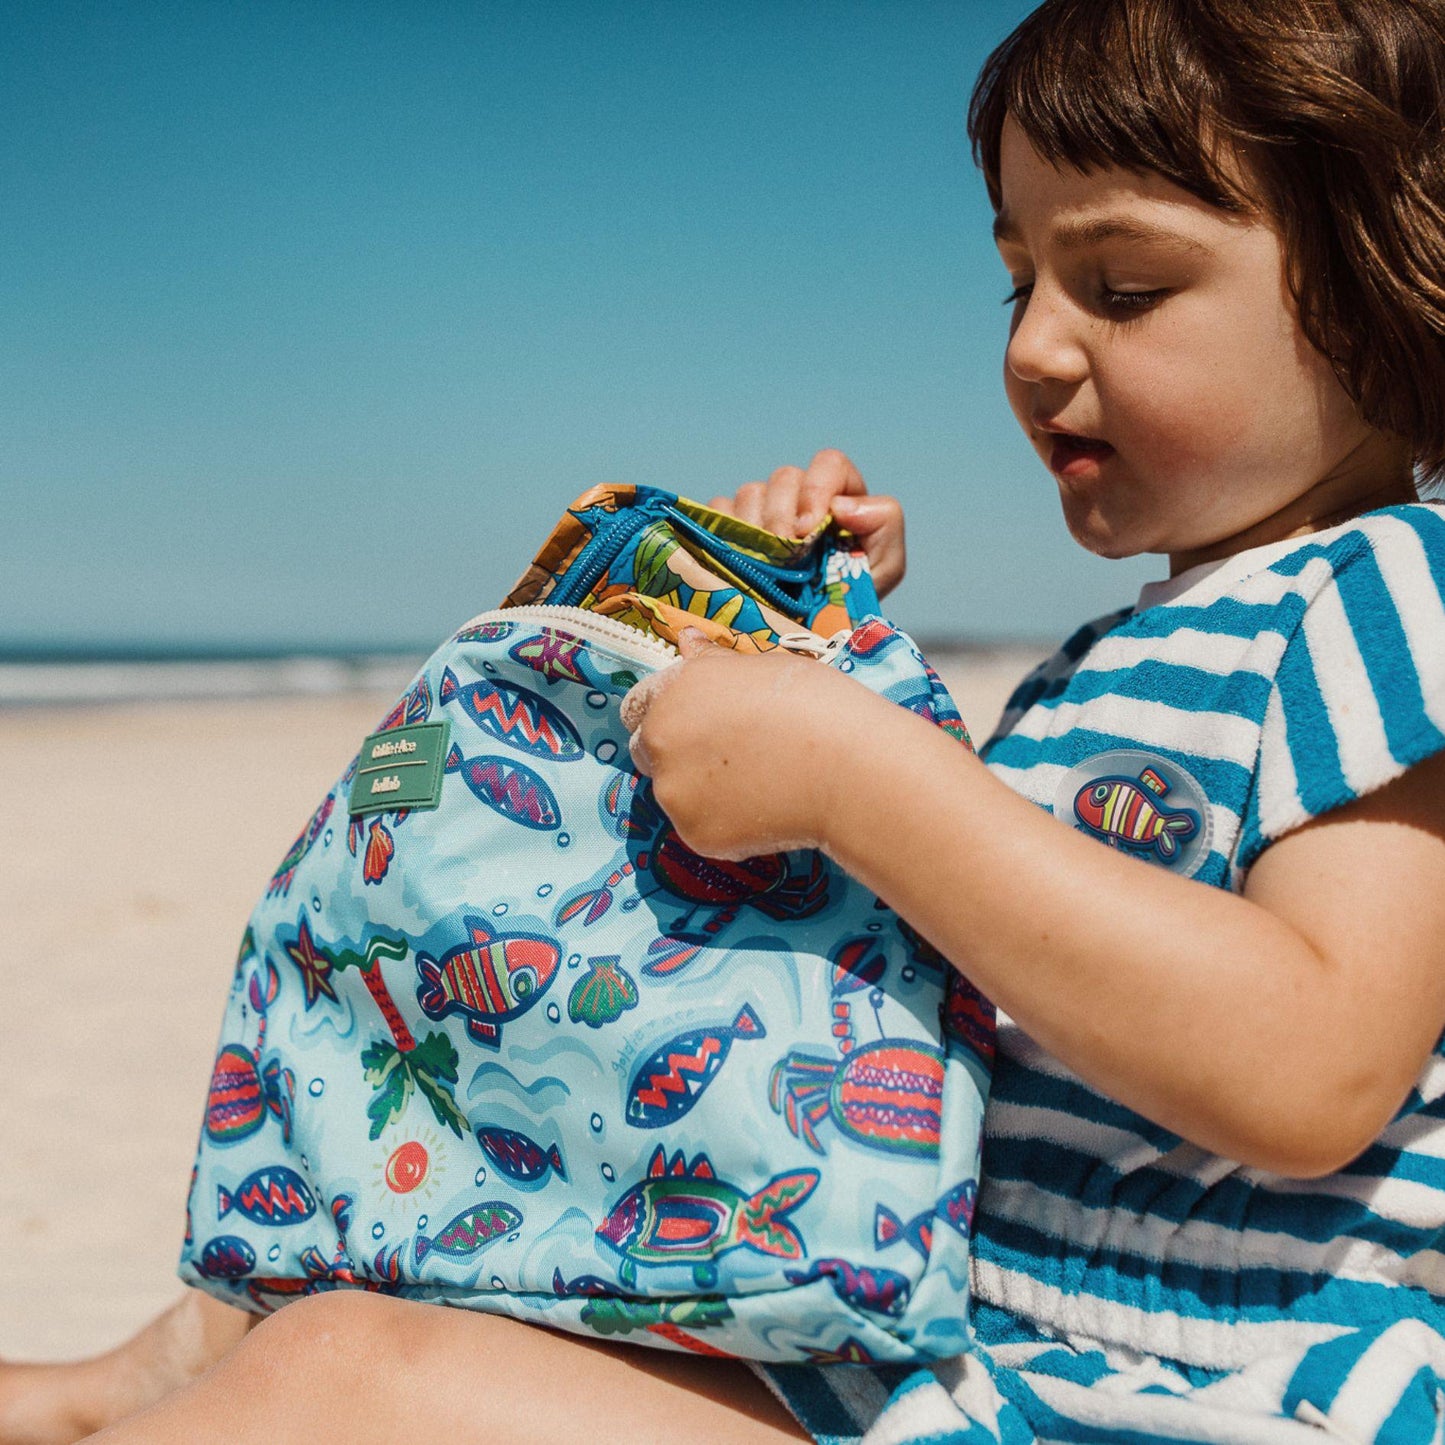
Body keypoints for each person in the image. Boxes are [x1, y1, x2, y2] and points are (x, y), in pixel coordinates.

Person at [5, 0, 1445, 1439]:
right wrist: (814, 641)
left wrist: (852, 772)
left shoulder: (1393, 592)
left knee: (364, 1385)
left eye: (1120, 285)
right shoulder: (1118, 652)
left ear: (1398, 276)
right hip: (979, 1325)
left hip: (1191, 1385)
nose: (1034, 349)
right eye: (1017, 284)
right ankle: (130, 1387)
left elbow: (1307, 1065)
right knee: (390, 1296)